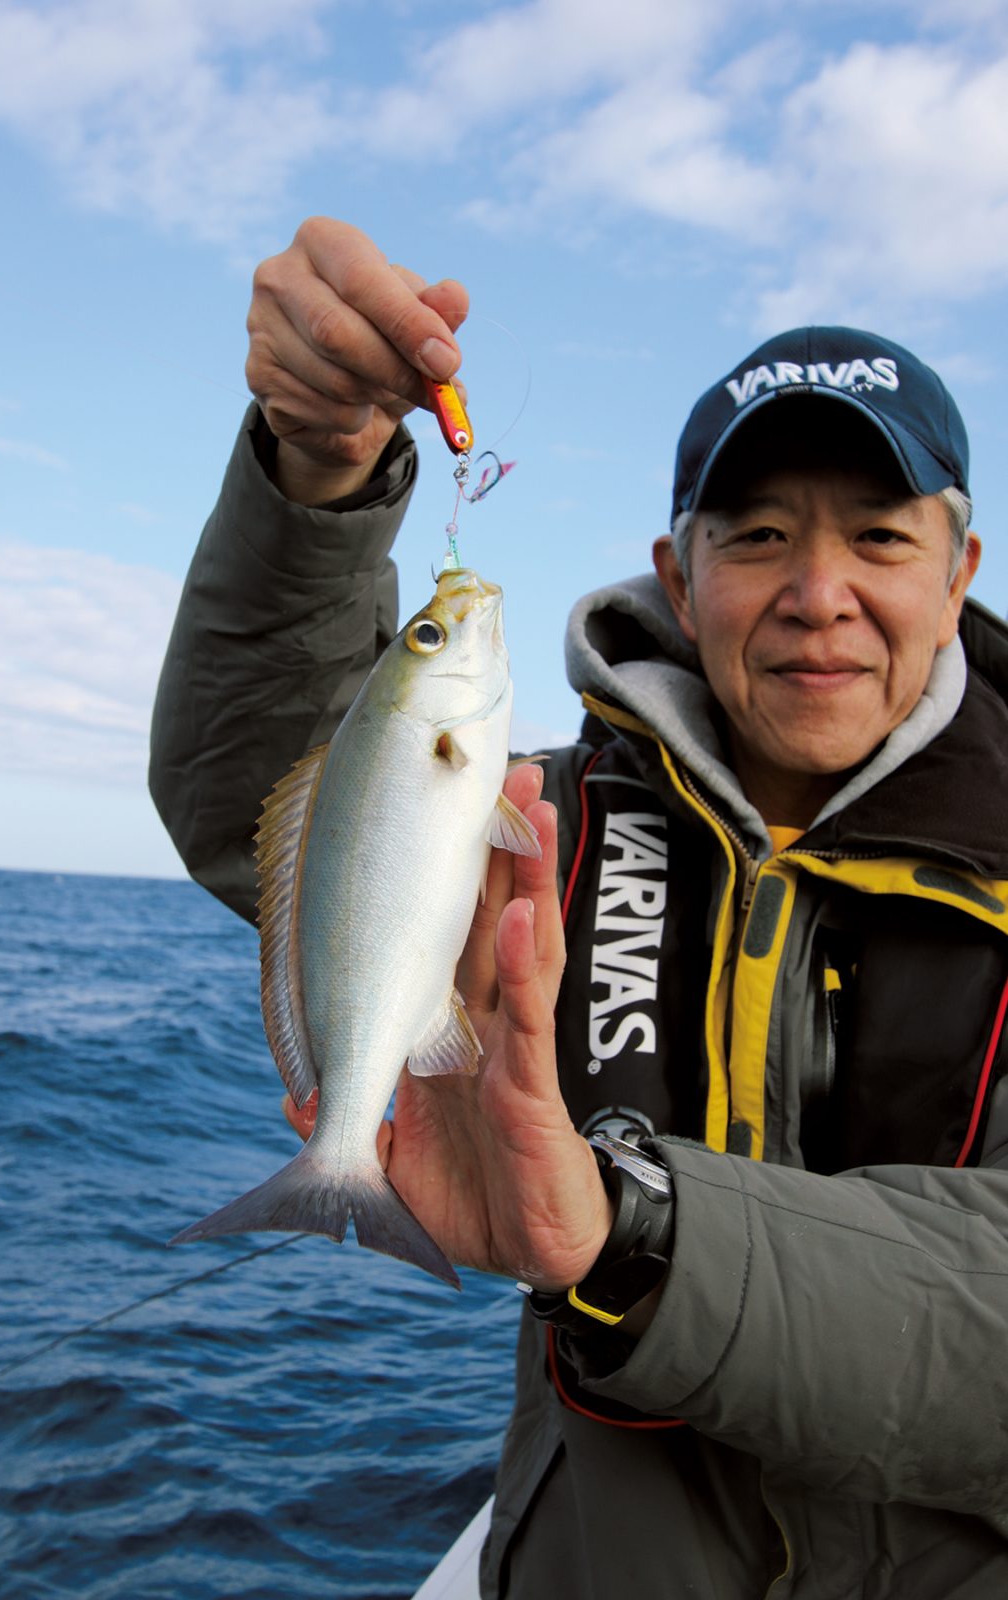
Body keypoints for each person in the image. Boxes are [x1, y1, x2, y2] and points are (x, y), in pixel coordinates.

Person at [150, 217, 1008, 1597]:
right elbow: (279, 800)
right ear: (679, 577)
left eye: (880, 537)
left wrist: (628, 1236)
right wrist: (315, 482)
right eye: (760, 535)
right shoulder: (546, 827)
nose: (818, 596)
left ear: (959, 575)